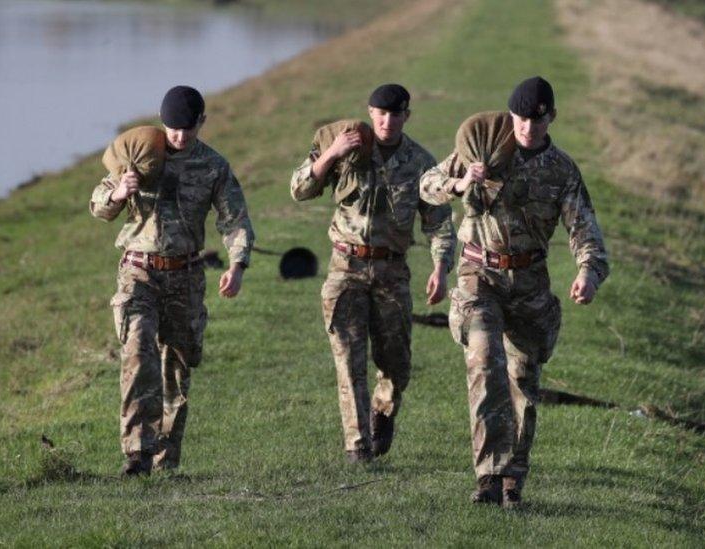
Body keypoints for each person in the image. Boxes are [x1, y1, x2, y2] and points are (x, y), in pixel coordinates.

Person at [420, 76, 609, 508]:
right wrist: (461, 183)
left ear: (551, 119)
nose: (527, 128)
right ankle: (486, 475)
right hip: (478, 274)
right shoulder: (485, 148)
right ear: (511, 116)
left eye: (537, 122)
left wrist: (587, 275)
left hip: (528, 284)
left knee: (523, 382)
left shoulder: (562, 171)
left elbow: (586, 234)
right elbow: (425, 186)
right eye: (521, 119)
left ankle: (512, 480)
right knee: (485, 361)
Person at [89, 85, 255, 476]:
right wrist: (118, 193)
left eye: (187, 128)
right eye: (172, 128)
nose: (178, 137)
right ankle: (136, 453)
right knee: (138, 353)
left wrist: (237, 264)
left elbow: (234, 219)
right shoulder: (141, 152)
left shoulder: (213, 166)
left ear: (202, 123)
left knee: (177, 370)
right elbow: (98, 205)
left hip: (185, 275)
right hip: (138, 271)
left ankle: (166, 458)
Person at [290, 83, 456, 463]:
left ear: (406, 117)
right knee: (349, 359)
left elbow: (438, 222)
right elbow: (299, 189)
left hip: (392, 271)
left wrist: (441, 267)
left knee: (395, 363)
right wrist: (332, 154)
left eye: (395, 114)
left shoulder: (419, 162)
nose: (387, 121)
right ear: (370, 113)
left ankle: (383, 412)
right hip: (345, 267)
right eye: (380, 114)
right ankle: (357, 445)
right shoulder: (347, 148)